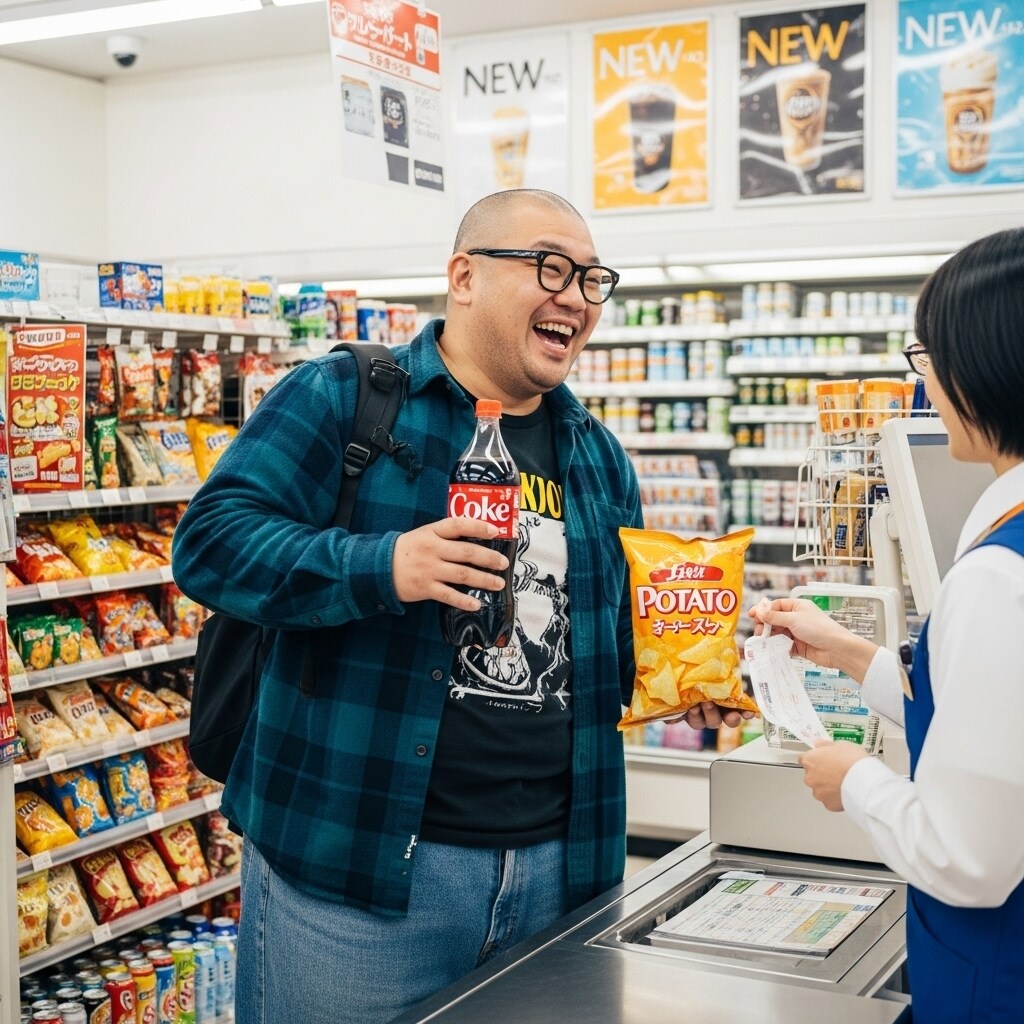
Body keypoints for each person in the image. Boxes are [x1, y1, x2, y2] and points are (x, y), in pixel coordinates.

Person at [172, 189, 743, 1023]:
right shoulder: (345, 397)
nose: (576, 297)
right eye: (551, 267)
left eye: (591, 279)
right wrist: (384, 563)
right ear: (464, 276)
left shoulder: (597, 457)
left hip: (561, 869)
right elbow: (211, 543)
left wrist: (698, 665)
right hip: (359, 870)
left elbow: (609, 652)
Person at [749, 226, 1024, 1024]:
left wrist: (854, 781)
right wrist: (851, 655)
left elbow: (965, 860)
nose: (924, 387)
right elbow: (1000, 726)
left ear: (980, 365)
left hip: (992, 983)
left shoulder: (996, 576)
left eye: (926, 360)